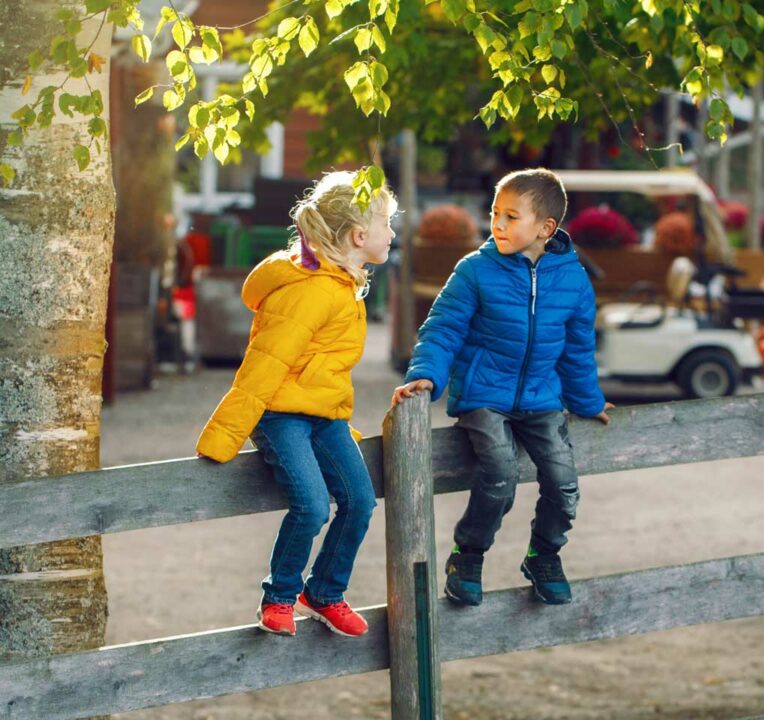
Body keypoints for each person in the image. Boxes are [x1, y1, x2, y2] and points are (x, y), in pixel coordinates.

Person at [392, 168, 613, 606]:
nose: (497, 224)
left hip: (541, 400)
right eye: (495, 213)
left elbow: (576, 351)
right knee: (500, 473)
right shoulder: (475, 270)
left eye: (511, 216)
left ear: (545, 229)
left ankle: (544, 554)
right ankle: (467, 555)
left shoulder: (572, 280)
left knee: (564, 482)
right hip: (484, 397)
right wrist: (427, 374)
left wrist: (588, 401)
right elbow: (443, 328)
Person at [197, 171, 396, 636]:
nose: (393, 233)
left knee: (360, 501)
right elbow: (264, 365)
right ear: (359, 236)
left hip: (323, 417)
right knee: (311, 505)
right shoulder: (311, 290)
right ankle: (280, 596)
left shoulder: (343, 282)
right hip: (281, 414)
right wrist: (225, 432)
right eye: (388, 223)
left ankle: (324, 592)